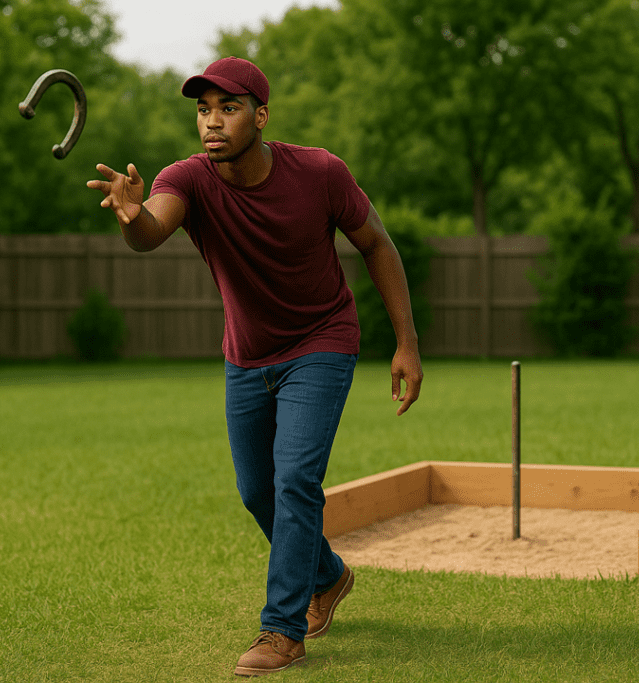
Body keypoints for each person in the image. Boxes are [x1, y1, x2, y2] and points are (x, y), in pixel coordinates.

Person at [86, 56, 423, 677]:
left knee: (295, 478)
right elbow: (153, 229)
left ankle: (281, 630)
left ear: (261, 116)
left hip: (322, 341)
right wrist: (132, 218)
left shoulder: (320, 173)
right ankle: (329, 576)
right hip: (247, 354)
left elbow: (376, 242)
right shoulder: (186, 178)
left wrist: (406, 341)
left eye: (228, 108)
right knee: (256, 490)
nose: (211, 122)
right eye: (202, 110)